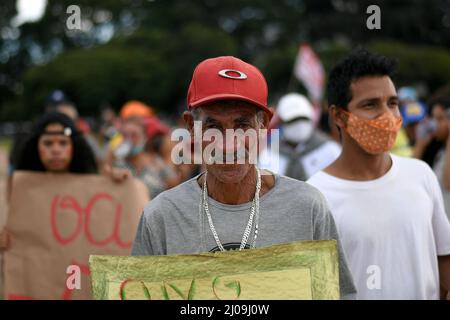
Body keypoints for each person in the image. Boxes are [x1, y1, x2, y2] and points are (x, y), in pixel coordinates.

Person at [131, 56, 357, 299]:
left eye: (243, 125)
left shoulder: (307, 207)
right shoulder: (162, 217)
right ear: (190, 127)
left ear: (265, 125)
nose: (229, 145)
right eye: (213, 127)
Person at [307, 49, 450, 300]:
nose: (388, 116)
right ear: (339, 116)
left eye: (392, 103)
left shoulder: (420, 175)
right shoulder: (314, 198)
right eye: (370, 104)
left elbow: (444, 268)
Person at [259, 93, 341, 181]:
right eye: (292, 120)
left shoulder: (331, 150)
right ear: (281, 122)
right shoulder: (269, 154)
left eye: (304, 119)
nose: (299, 125)